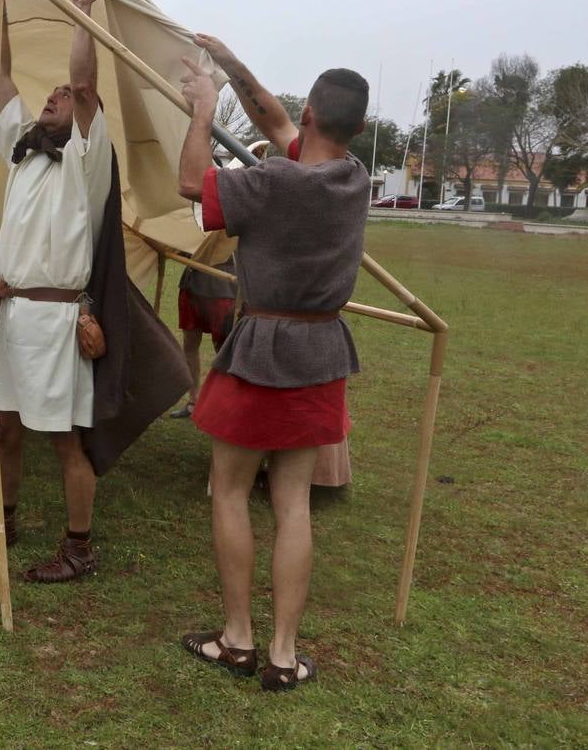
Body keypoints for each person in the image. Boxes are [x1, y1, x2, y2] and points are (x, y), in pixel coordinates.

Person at [175, 34, 369, 691]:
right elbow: (278, 122)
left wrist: (203, 110)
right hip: (322, 356)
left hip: (264, 352)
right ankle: (284, 656)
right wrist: (228, 64)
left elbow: (188, 187)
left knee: (229, 491)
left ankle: (237, 641)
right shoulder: (353, 178)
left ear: (311, 111)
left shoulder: (268, 183)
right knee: (292, 504)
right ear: (358, 125)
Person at [0, 0, 115, 582]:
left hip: (54, 319)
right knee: (4, 426)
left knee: (64, 440)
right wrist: (0, 11)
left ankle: (79, 547)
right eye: (49, 94)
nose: (54, 95)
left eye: (63, 96)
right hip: (10, 310)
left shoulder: (85, 156)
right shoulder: (22, 154)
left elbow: (83, 79)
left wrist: (80, 13)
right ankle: (5, 521)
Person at [169, 244, 237, 420]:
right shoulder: (192, 216)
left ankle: (226, 403)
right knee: (190, 344)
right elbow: (184, 243)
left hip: (221, 287)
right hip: (192, 284)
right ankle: (194, 401)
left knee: (224, 350)